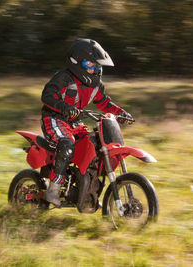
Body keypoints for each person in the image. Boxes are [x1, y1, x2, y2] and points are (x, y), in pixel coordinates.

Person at [40, 38, 133, 207]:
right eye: (90, 65)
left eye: (97, 66)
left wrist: (121, 113)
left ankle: (88, 190)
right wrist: (64, 107)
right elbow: (46, 96)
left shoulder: (96, 85)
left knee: (94, 147)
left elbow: (104, 102)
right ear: (76, 62)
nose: (95, 69)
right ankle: (53, 188)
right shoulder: (63, 78)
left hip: (74, 123)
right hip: (54, 119)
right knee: (67, 146)